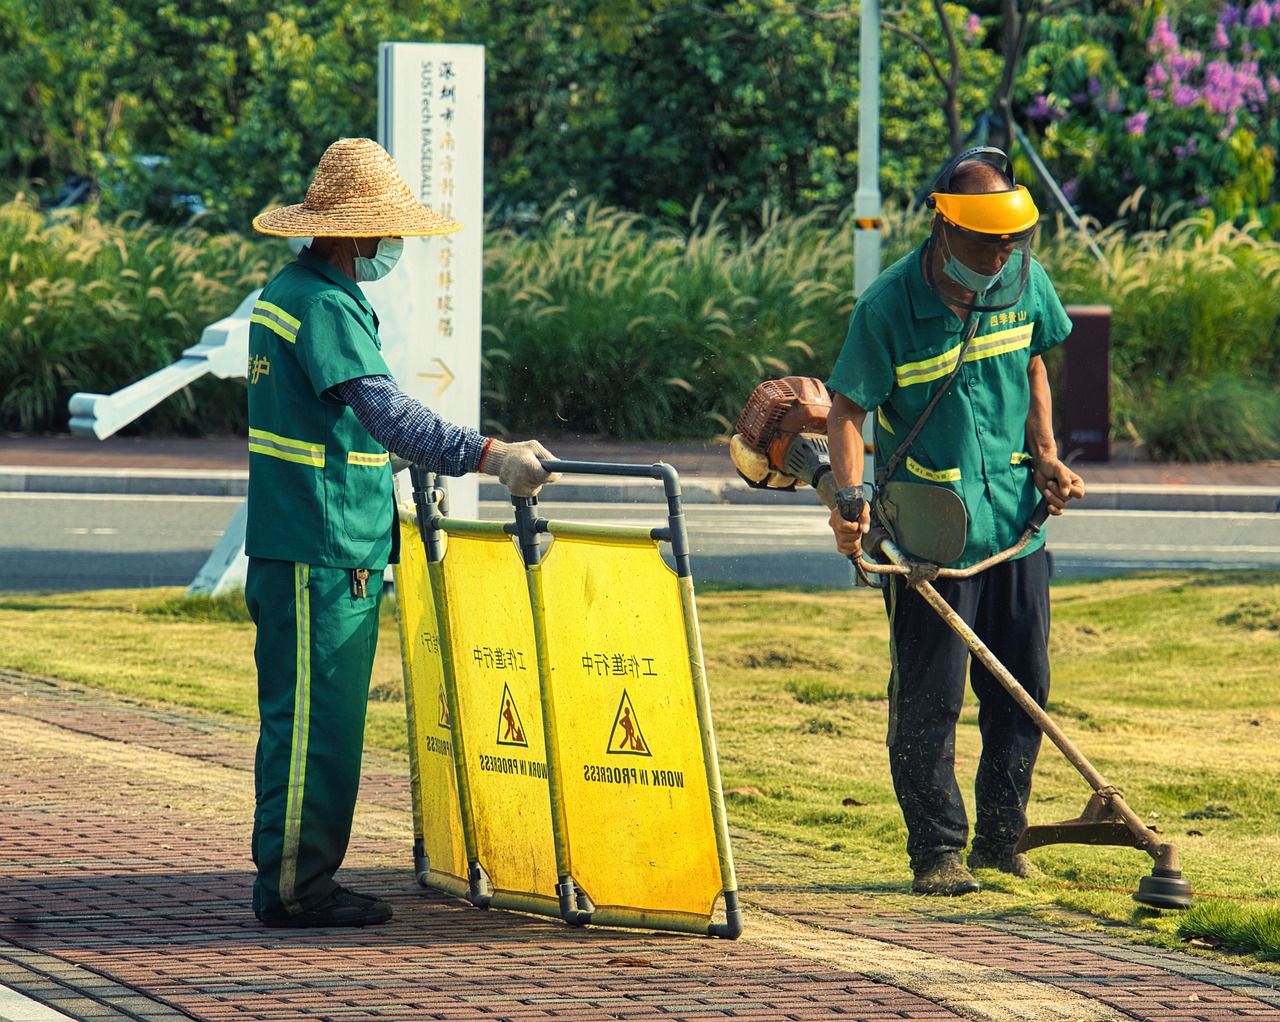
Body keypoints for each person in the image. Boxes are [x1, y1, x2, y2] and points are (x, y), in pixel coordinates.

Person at [245, 137, 558, 928]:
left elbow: (344, 421)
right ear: (354, 234)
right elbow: (385, 411)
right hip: (317, 545)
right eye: (388, 234)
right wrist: (489, 455)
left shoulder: (295, 291)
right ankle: (294, 889)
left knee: (321, 723)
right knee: (315, 728)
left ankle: (302, 878)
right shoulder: (319, 302)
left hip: (320, 539)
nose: (394, 247)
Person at [825, 147, 1085, 896]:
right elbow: (848, 409)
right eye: (983, 239)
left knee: (1022, 686)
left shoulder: (1025, 280)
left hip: (1013, 523)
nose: (1000, 253)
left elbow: (1034, 358)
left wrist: (1047, 455)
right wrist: (850, 500)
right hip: (930, 532)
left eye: (1010, 238)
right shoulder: (888, 307)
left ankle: (1003, 841)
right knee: (931, 698)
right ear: (943, 224)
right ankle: (937, 851)